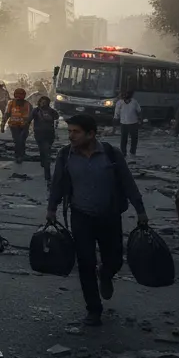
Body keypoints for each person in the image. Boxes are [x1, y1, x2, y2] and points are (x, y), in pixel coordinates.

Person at [47, 115, 148, 326]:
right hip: (81, 215)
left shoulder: (111, 154)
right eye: (70, 131)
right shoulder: (66, 155)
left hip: (109, 215)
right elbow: (58, 183)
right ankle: (93, 309)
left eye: (76, 132)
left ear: (91, 134)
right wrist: (51, 208)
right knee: (85, 262)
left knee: (114, 259)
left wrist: (140, 210)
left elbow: (127, 182)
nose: (71, 136)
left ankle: (106, 273)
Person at [29, 96, 60, 182]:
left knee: (46, 151)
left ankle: (47, 170)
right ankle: (46, 167)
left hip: (49, 134)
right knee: (43, 150)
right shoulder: (36, 111)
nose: (43, 104)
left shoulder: (51, 111)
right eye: (42, 102)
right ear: (39, 102)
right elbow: (29, 119)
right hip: (39, 134)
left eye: (45, 102)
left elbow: (57, 118)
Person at [1, 87, 32, 163]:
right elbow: (7, 114)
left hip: (24, 126)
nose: (18, 100)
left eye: (20, 97)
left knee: (22, 141)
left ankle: (21, 154)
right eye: (17, 97)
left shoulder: (28, 104)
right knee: (18, 141)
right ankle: (18, 155)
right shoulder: (11, 103)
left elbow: (31, 116)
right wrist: (2, 125)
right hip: (14, 125)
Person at [114, 90, 142, 158]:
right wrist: (114, 124)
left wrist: (140, 120)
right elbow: (116, 114)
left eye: (126, 94)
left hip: (134, 123)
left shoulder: (134, 102)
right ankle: (123, 153)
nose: (124, 96)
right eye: (123, 95)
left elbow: (139, 111)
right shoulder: (119, 103)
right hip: (124, 123)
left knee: (134, 139)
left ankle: (133, 152)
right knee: (123, 139)